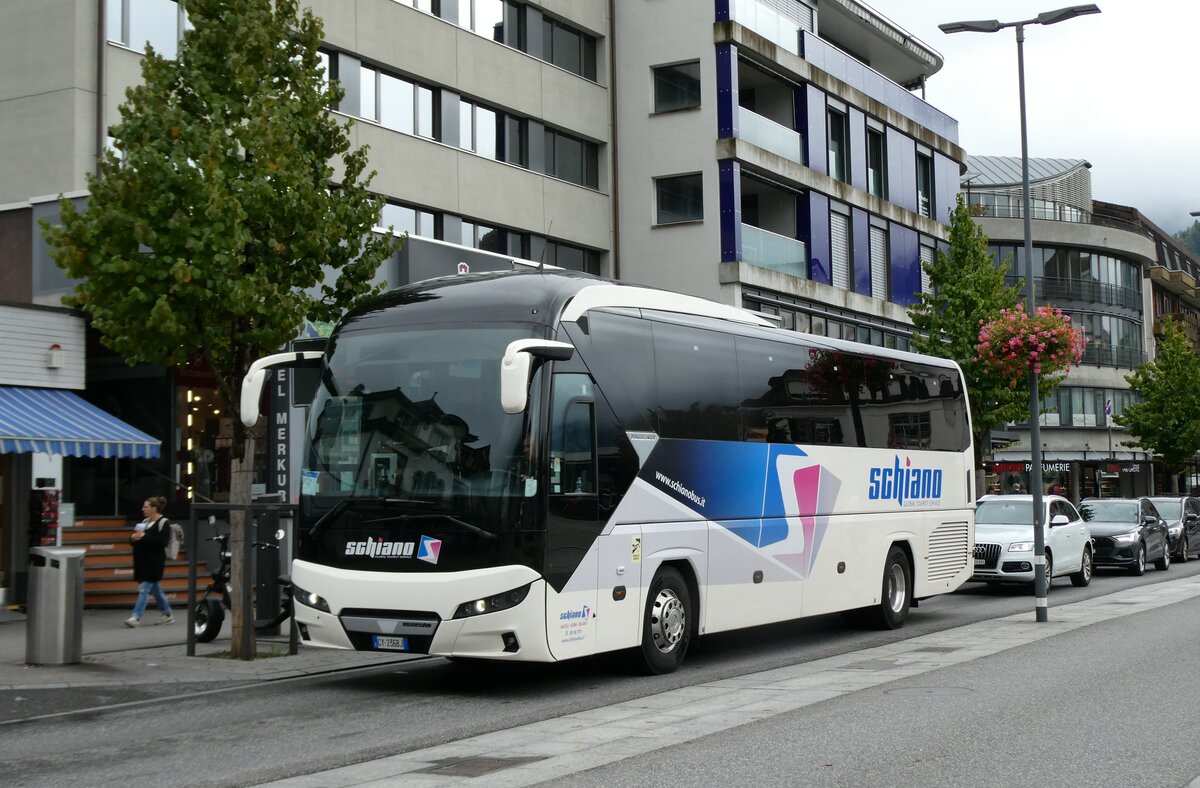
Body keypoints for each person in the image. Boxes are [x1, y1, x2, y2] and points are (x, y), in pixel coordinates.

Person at [125, 496, 175, 627]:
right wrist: (132, 537)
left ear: (154, 508)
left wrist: (144, 537)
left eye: (146, 507)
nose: (143, 509)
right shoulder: (145, 521)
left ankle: (136, 617)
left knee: (144, 589)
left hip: (154, 562)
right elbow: (136, 538)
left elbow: (162, 543)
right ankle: (167, 614)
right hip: (142, 561)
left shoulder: (164, 522)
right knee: (156, 590)